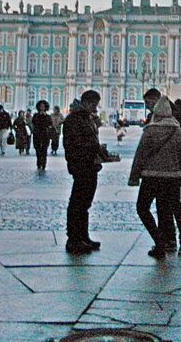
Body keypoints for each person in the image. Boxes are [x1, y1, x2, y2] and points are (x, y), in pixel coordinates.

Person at [128, 97, 181, 258]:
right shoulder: (179, 132)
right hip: (172, 177)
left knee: (142, 208)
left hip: (151, 177)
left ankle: (159, 240)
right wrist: (179, 171)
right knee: (173, 208)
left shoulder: (149, 131)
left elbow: (139, 155)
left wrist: (134, 177)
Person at [63, 90, 106, 254]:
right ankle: (74, 239)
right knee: (78, 203)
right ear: (87, 103)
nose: (95, 108)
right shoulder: (74, 119)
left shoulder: (86, 118)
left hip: (89, 164)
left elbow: (90, 139)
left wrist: (100, 152)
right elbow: (77, 143)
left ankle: (83, 236)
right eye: (94, 104)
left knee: (85, 203)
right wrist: (97, 148)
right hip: (80, 164)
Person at [31, 100, 53, 171]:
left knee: (44, 150)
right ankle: (38, 163)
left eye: (43, 106)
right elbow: (34, 123)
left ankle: (43, 164)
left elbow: (50, 124)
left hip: (45, 135)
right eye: (41, 106)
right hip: (37, 134)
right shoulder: (36, 115)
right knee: (38, 150)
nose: (42, 108)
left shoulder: (48, 116)